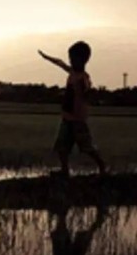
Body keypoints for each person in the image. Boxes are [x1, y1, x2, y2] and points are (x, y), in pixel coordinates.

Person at [37, 41, 105, 176]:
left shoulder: (83, 78)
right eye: (70, 59)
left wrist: (87, 94)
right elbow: (60, 63)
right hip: (67, 116)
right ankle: (64, 170)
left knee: (86, 146)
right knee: (62, 146)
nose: (71, 61)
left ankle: (101, 165)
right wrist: (46, 57)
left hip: (78, 119)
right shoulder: (72, 72)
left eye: (73, 59)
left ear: (83, 60)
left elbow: (87, 92)